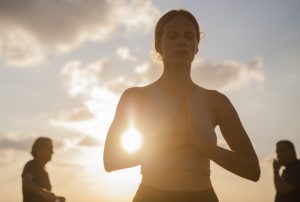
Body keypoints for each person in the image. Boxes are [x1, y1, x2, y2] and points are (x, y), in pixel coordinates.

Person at [103, 9, 260, 202]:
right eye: (173, 36)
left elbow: (252, 169)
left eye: (189, 37)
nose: (182, 42)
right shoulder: (135, 97)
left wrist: (201, 145)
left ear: (196, 47)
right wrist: (169, 143)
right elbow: (111, 159)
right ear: (158, 45)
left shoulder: (217, 101)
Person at [22, 137, 66, 202]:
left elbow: (40, 196)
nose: (52, 152)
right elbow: (27, 183)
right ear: (38, 150)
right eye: (49, 148)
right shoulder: (31, 165)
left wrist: (56, 198)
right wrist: (44, 193)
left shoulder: (43, 169)